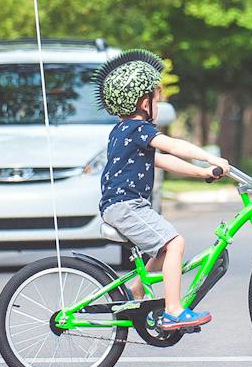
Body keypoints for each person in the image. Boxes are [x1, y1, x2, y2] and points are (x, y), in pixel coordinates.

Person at [93, 50, 229, 331]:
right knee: (175, 243)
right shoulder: (137, 129)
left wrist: (201, 171)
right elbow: (172, 146)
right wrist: (211, 157)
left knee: (164, 250)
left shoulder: (123, 131)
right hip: (126, 205)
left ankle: (135, 291)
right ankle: (173, 311)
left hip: (122, 205)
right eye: (158, 98)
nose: (160, 102)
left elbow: (162, 160)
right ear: (145, 103)